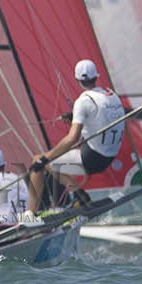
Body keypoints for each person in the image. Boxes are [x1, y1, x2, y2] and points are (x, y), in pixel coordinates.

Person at [27, 59, 125, 212]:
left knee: (39, 162)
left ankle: (29, 216)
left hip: (92, 159)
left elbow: (72, 138)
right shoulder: (112, 95)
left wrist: (46, 158)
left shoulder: (83, 101)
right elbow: (102, 117)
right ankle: (81, 195)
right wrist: (75, 117)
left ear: (77, 80)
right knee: (55, 162)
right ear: (96, 76)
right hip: (110, 157)